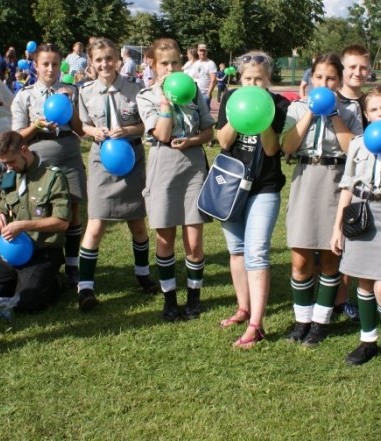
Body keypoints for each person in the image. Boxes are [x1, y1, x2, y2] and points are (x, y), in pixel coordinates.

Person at [331, 86, 381, 372]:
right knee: (364, 282)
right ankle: (368, 340)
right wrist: (338, 228)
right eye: (374, 109)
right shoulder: (358, 143)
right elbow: (347, 186)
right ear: (366, 114)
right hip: (361, 211)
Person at [281, 53, 359, 347]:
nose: (324, 83)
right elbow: (288, 146)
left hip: (336, 180)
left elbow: (352, 149)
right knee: (300, 257)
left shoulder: (349, 109)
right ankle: (302, 320)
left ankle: (320, 321)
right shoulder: (297, 107)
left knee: (330, 256)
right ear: (311, 78)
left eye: (331, 79)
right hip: (306, 176)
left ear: (339, 81)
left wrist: (334, 113)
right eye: (319, 77)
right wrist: (311, 113)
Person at [136, 38, 215, 322]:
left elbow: (208, 132)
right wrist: (166, 102)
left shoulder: (192, 91)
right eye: (164, 64)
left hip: (193, 166)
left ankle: (194, 297)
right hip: (163, 166)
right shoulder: (146, 95)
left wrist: (192, 140)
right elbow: (162, 134)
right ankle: (169, 300)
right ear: (153, 65)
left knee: (194, 241)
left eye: (175, 63)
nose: (170, 69)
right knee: (165, 238)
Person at [76, 38, 156, 311]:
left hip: (132, 159)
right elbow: (83, 125)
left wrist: (128, 130)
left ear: (118, 60)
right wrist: (94, 131)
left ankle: (143, 274)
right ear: (92, 62)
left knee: (137, 223)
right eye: (99, 60)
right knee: (96, 223)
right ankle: (85, 287)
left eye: (109, 58)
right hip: (102, 161)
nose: (105, 64)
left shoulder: (135, 89)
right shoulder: (86, 92)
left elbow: (146, 124)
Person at [216, 51, 289, 349]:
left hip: (264, 187)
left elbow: (272, 150)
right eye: (248, 79)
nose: (253, 84)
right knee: (236, 250)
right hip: (231, 186)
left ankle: (256, 325)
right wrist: (238, 113)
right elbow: (223, 141)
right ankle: (242, 308)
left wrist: (262, 116)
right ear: (240, 78)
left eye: (259, 79)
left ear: (268, 79)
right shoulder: (230, 99)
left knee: (256, 252)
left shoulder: (279, 104)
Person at [11, 43, 86, 287]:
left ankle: (72, 265)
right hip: (39, 155)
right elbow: (17, 137)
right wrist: (36, 125)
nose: (50, 69)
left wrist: (71, 105)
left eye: (55, 64)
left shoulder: (71, 90)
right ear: (35, 66)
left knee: (72, 208)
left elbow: (80, 130)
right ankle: (43, 262)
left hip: (68, 152)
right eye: (45, 64)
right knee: (41, 209)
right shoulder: (25, 95)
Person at [0, 130, 71, 313]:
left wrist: (24, 225)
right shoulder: (11, 175)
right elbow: (2, 204)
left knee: (26, 304)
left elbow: (62, 222)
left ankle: (56, 281)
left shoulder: (52, 177)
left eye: (11, 162)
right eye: (4, 163)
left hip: (43, 251)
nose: (8, 167)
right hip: (14, 252)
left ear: (24, 150)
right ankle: (20, 281)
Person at [334, 44, 371, 320]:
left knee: (353, 235)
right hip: (333, 174)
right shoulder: (330, 100)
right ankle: (331, 298)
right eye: (352, 67)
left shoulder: (372, 102)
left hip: (361, 179)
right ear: (342, 69)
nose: (357, 72)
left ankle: (344, 298)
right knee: (332, 241)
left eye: (363, 67)